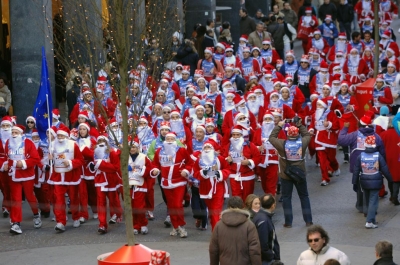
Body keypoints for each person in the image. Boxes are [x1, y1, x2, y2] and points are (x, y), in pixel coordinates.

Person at [269, 119, 313, 228]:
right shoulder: (303, 142)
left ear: (287, 135)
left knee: (287, 198)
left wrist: (279, 126)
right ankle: (308, 221)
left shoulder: (282, 144)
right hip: (300, 174)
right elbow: (307, 134)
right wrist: (300, 124)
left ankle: (288, 222)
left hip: (286, 174)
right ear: (297, 134)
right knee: (304, 197)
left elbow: (271, 138)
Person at [150, 131, 192, 238]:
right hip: (165, 182)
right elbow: (155, 163)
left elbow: (190, 163)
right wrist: (155, 170)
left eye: (171, 139)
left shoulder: (182, 151)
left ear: (175, 141)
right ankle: (175, 226)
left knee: (178, 204)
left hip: (179, 181)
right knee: (171, 206)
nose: (169, 141)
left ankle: (181, 226)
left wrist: (186, 171)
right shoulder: (159, 151)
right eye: (167, 139)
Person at [4, 124, 41, 234]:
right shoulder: (8, 143)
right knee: (16, 198)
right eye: (13, 132)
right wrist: (6, 163)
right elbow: (7, 157)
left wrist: (23, 163)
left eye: (16, 133)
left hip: (27, 174)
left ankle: (35, 213)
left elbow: (35, 159)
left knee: (30, 196)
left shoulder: (28, 143)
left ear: (21, 134)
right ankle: (16, 223)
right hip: (13, 174)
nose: (14, 135)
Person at [48, 125, 84, 232]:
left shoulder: (73, 145)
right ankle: (60, 222)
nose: (59, 137)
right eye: (58, 135)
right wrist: (49, 159)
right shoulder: (52, 145)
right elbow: (50, 161)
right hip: (58, 176)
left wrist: (70, 163)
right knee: (58, 199)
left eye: (61, 135)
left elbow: (80, 160)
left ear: (66, 136)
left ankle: (76, 217)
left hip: (71, 176)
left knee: (73, 198)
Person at [352, 135, 393, 229]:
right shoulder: (378, 156)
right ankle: (369, 221)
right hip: (376, 181)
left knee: (367, 200)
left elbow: (356, 170)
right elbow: (385, 169)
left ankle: (371, 219)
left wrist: (354, 182)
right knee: (373, 202)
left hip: (364, 181)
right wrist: (390, 180)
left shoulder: (360, 156)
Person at [209, 196, 262, 265]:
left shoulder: (219, 225)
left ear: (228, 207)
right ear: (242, 207)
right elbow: (254, 250)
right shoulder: (249, 225)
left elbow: (213, 250)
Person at [253, 194, 281, 265]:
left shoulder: (261, 216)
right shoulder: (264, 220)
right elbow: (263, 243)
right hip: (267, 260)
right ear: (273, 205)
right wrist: (271, 256)